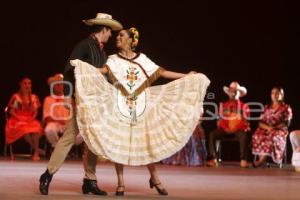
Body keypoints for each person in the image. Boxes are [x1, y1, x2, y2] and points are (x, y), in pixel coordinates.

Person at [71, 27, 210, 196]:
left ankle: (155, 178)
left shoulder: (142, 59)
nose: (117, 38)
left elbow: (163, 73)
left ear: (131, 40)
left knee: (145, 142)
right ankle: (121, 183)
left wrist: (186, 76)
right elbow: (104, 71)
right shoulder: (113, 59)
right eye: (117, 36)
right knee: (120, 143)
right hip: (120, 104)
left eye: (121, 35)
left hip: (141, 104)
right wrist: (84, 67)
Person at [39, 13, 123, 195]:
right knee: (70, 135)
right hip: (82, 101)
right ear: (105, 29)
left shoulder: (101, 52)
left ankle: (89, 181)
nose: (111, 35)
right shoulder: (84, 45)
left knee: (92, 140)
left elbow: (103, 78)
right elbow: (68, 70)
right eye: (110, 32)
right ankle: (48, 174)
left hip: (96, 103)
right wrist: (68, 97)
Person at [206, 81, 250, 168]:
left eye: (235, 90)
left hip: (238, 130)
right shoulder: (223, 105)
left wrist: (235, 128)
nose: (232, 92)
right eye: (231, 90)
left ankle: (243, 160)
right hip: (225, 130)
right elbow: (220, 120)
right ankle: (213, 159)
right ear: (228, 92)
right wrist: (226, 128)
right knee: (212, 134)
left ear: (239, 93)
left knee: (244, 135)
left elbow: (245, 122)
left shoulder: (244, 106)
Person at [252, 86, 292, 167]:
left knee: (271, 136)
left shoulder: (286, 107)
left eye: (277, 93)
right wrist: (268, 128)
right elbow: (260, 122)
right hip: (265, 128)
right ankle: (262, 160)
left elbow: (286, 122)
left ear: (282, 95)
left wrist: (273, 128)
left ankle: (260, 161)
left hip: (279, 130)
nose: (275, 95)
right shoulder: (266, 107)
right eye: (273, 93)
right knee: (257, 135)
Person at [5, 77, 43, 161]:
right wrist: (20, 118)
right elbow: (11, 111)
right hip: (17, 118)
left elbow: (35, 112)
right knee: (24, 129)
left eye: (29, 83)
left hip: (29, 119)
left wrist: (30, 119)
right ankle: (36, 149)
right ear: (21, 84)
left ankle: (36, 153)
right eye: (25, 83)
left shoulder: (34, 97)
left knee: (36, 129)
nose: (27, 85)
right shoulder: (16, 97)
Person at [43, 74, 82, 149]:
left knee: (82, 132)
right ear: (53, 86)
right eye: (57, 84)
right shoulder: (48, 99)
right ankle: (58, 146)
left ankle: (69, 146)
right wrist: (60, 120)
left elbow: (76, 113)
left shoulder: (70, 99)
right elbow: (47, 117)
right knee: (49, 130)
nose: (60, 86)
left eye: (61, 84)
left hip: (68, 123)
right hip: (55, 123)